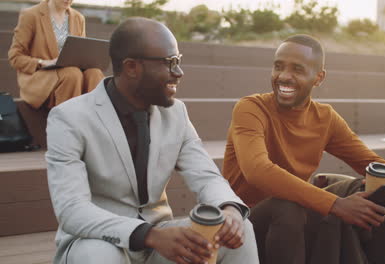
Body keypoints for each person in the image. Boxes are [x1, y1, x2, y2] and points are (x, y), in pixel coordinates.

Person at [46, 17, 258, 264]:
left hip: (158, 243)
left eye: (178, 61)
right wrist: (150, 235)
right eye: (170, 63)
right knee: (99, 256)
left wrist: (229, 207)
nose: (179, 72)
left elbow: (206, 176)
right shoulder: (69, 118)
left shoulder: (176, 113)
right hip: (98, 242)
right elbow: (72, 210)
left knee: (239, 229)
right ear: (132, 67)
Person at [222, 34, 385, 264]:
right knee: (287, 208)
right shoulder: (250, 108)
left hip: (297, 219)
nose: (284, 77)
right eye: (278, 67)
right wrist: (336, 205)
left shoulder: (325, 117)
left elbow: (378, 165)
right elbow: (257, 170)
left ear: (319, 78)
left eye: (297, 69)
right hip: (245, 221)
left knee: (377, 189)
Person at [8, 0, 104, 109]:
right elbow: (15, 57)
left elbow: (80, 52)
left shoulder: (78, 18)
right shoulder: (30, 15)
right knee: (72, 74)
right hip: (42, 77)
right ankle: (67, 123)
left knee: (95, 73)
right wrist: (43, 62)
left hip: (72, 77)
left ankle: (93, 121)